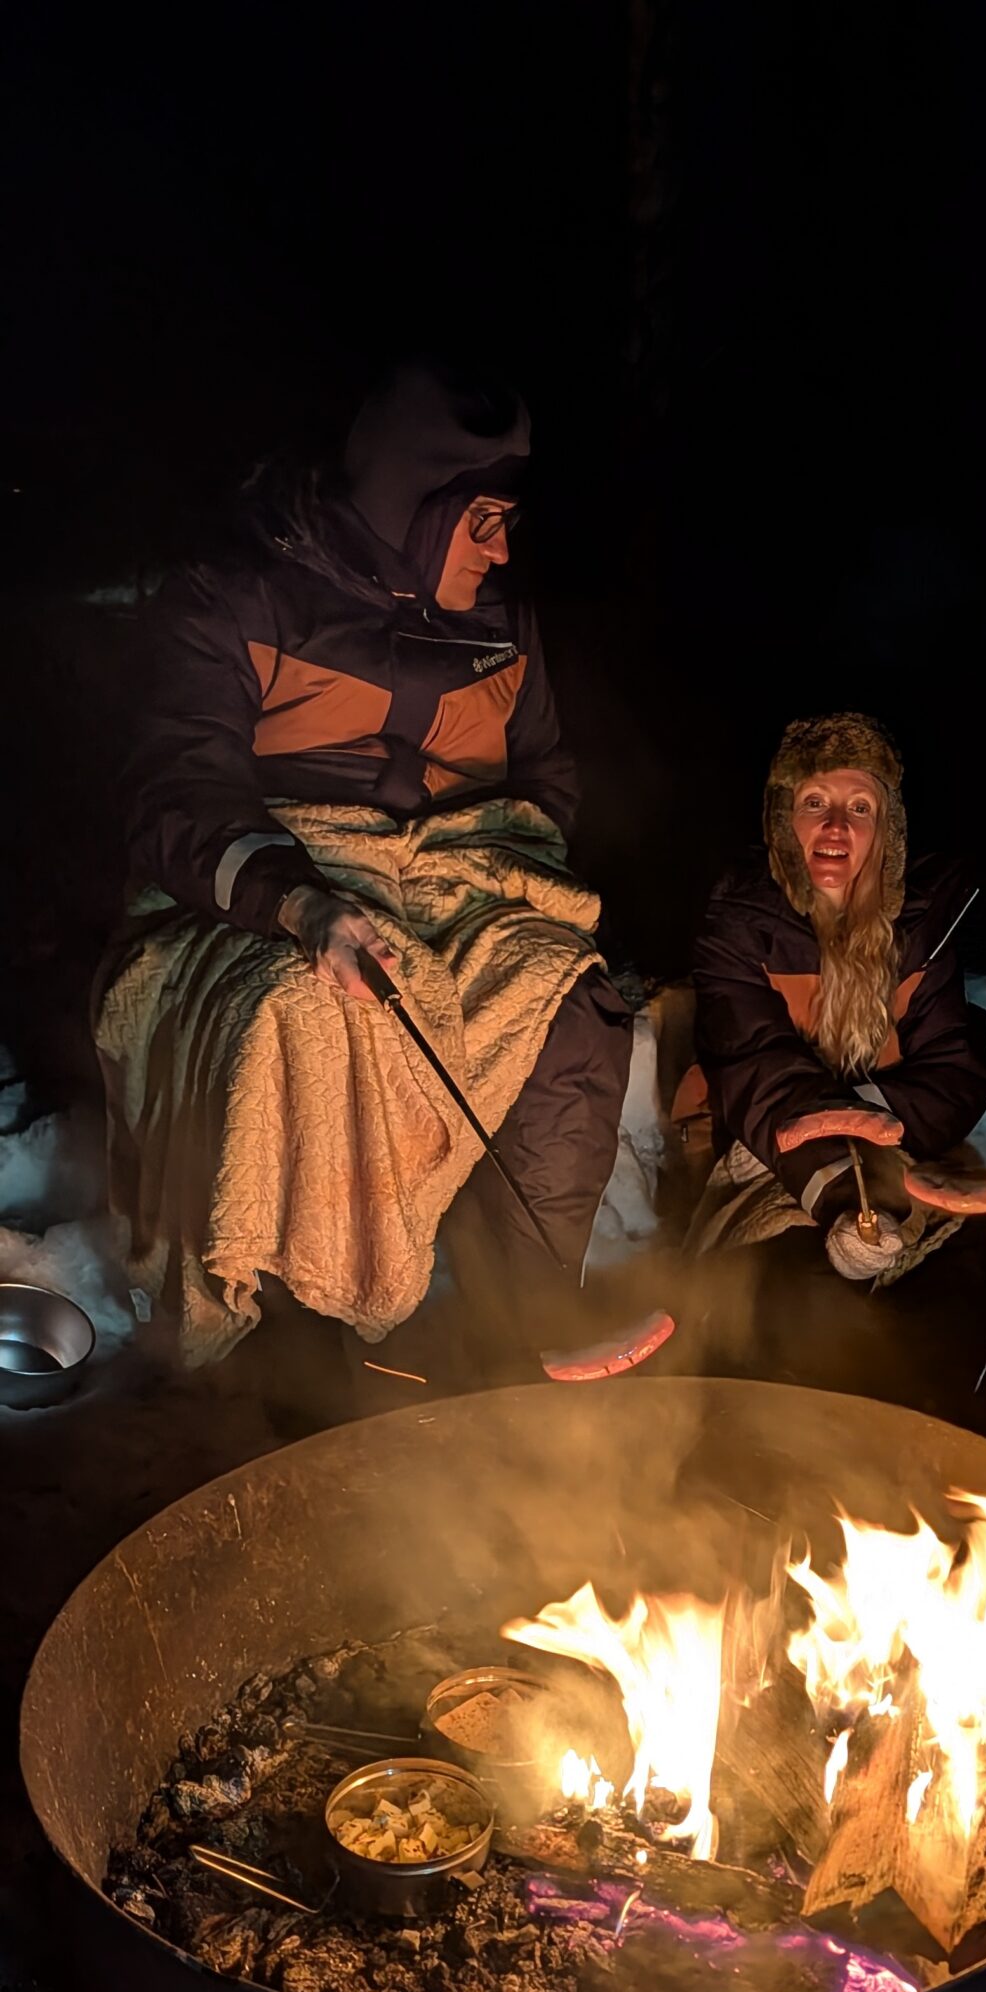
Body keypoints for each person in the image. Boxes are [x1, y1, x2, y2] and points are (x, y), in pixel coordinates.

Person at [97, 359, 635, 1371]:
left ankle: (522, 1324)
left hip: (458, 889)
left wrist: (475, 869)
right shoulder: (238, 598)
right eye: (481, 518)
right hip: (268, 895)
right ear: (413, 504)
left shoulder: (503, 627)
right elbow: (174, 793)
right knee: (311, 1011)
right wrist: (299, 897)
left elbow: (544, 780)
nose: (502, 544)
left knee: (568, 999)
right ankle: (298, 1337)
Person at [686, 712, 986, 1397]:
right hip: (772, 1163)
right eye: (814, 804)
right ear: (782, 823)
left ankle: (920, 1466)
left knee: (956, 1289)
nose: (836, 827)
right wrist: (841, 1187)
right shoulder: (739, 927)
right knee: (792, 1300)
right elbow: (754, 1069)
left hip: (905, 1156)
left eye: (859, 807)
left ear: (885, 832)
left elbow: (953, 1070)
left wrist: (876, 1135)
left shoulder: (922, 930)